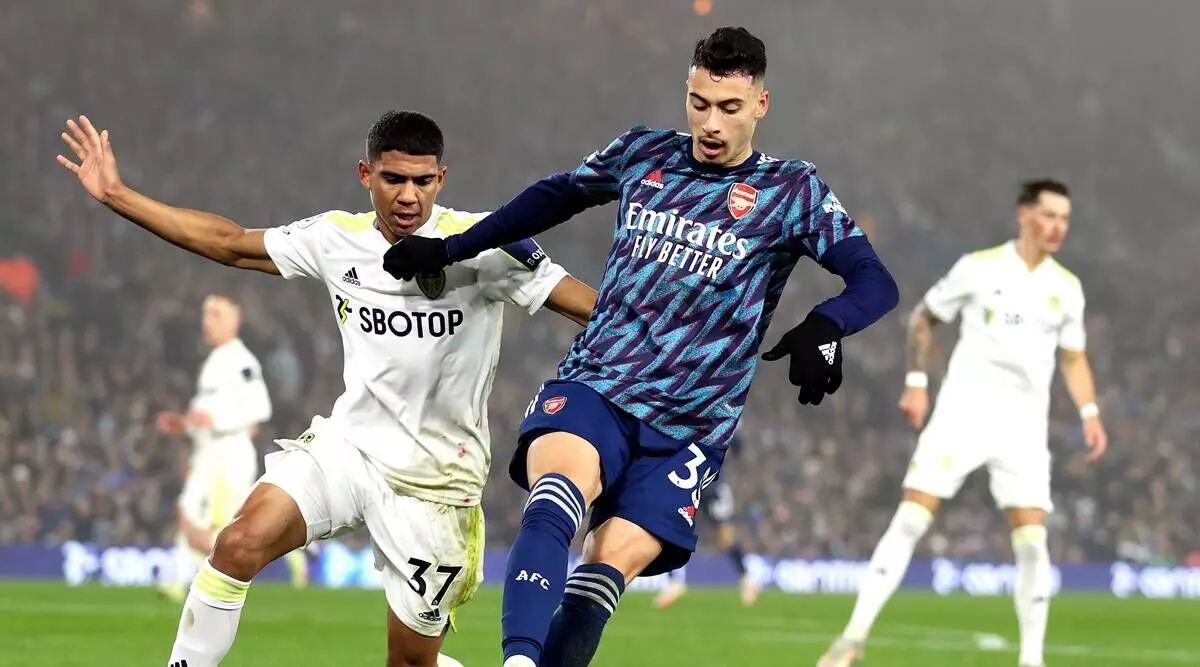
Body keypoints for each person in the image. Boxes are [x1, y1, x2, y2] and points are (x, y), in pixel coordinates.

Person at [380, 27, 900, 667]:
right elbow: (554, 196)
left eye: (729, 108)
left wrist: (827, 324)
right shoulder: (644, 152)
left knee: (604, 567)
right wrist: (450, 247)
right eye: (699, 103)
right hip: (599, 381)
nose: (711, 123)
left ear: (761, 105)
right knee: (556, 497)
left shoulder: (791, 191)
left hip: (690, 427)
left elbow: (875, 280)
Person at [56, 110, 597, 667]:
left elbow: (595, 310)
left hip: (435, 483)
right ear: (366, 174)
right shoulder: (337, 238)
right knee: (237, 544)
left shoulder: (485, 244)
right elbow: (231, 243)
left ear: (441, 178)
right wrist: (117, 195)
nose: (408, 196)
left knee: (410, 662)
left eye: (422, 181)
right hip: (349, 449)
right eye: (393, 179)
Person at [816, 179, 1109, 667]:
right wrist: (916, 382)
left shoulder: (1067, 288)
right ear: (1024, 215)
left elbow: (1074, 358)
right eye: (1049, 215)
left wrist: (1090, 413)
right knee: (911, 519)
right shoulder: (979, 268)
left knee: (1033, 542)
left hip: (1024, 427)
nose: (1058, 227)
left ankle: (1031, 660)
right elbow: (922, 318)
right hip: (963, 414)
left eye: (1065, 219)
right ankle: (852, 639)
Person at [153, 295, 300, 602]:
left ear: (235, 321)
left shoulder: (242, 361)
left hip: (230, 453)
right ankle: (177, 581)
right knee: (191, 511)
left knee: (228, 524)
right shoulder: (214, 362)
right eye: (206, 314)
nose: (207, 321)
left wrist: (217, 421)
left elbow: (260, 408)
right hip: (208, 452)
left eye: (216, 314)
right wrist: (183, 424)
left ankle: (292, 556)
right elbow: (204, 414)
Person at [653, 430, 759, 609]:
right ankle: (675, 582)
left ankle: (747, 579)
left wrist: (726, 451)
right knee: (675, 525)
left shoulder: (723, 423)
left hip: (714, 485)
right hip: (692, 479)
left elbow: (736, 443)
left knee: (724, 536)